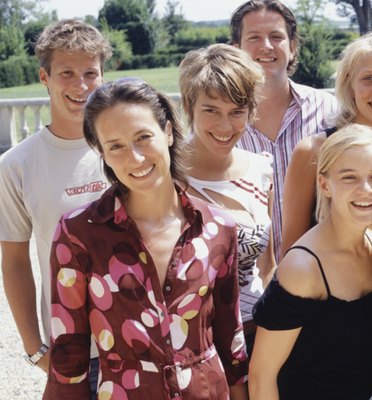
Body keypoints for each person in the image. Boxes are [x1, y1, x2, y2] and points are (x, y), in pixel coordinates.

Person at [43, 79, 248, 399]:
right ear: (101, 152)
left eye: (143, 137)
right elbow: (68, 356)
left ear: (167, 131)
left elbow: (230, 338)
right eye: (116, 146)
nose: (135, 158)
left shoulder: (218, 227)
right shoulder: (78, 234)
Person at [249, 124, 372, 399]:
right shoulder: (304, 268)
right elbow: (261, 375)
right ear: (325, 185)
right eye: (349, 178)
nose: (366, 189)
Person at [0, 19, 111, 390]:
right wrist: (35, 349)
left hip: (142, 341)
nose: (81, 86)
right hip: (73, 350)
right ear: (44, 77)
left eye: (90, 73)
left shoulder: (127, 148)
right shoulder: (17, 164)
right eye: (67, 73)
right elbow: (15, 262)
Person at [279, 33, 372, 256]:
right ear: (349, 84)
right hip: (331, 286)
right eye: (369, 78)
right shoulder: (313, 151)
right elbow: (290, 252)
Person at [179, 43, 274, 357]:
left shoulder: (262, 169)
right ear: (190, 106)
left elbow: (268, 264)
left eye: (236, 112)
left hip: (256, 335)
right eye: (211, 110)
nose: (224, 126)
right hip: (192, 345)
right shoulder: (167, 176)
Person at [230, 0, 338, 262]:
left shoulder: (328, 110)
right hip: (243, 282)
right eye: (254, 37)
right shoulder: (218, 122)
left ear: (292, 46)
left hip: (317, 273)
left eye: (276, 37)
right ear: (236, 49)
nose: (266, 46)